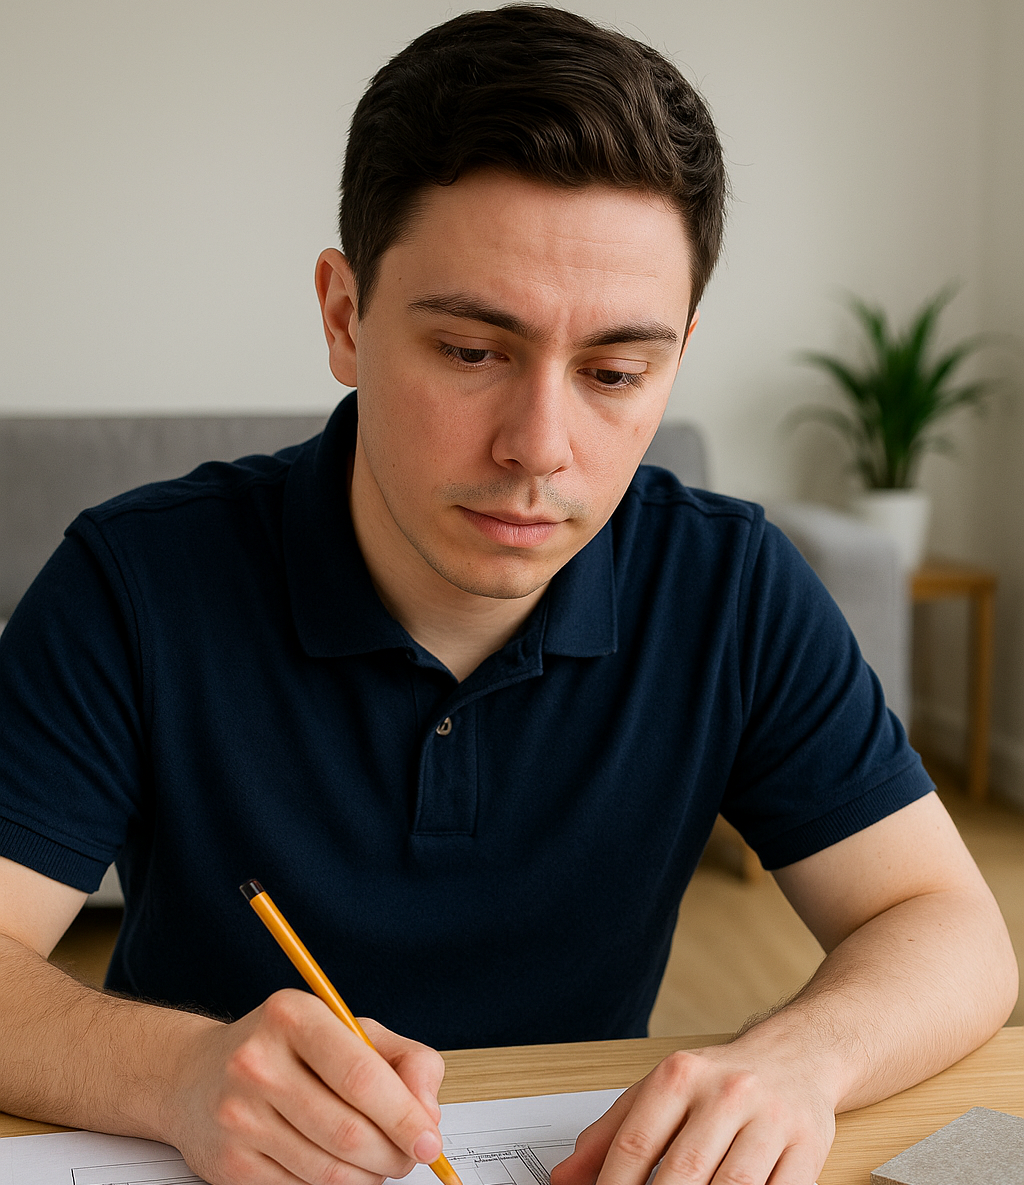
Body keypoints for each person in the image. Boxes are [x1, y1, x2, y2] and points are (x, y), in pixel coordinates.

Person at [0, 6, 1016, 1185]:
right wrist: (178, 1074)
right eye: (472, 352)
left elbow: (948, 930)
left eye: (614, 372)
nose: (540, 446)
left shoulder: (730, 585)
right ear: (344, 316)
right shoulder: (135, 578)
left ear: (679, 355)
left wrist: (801, 1059)